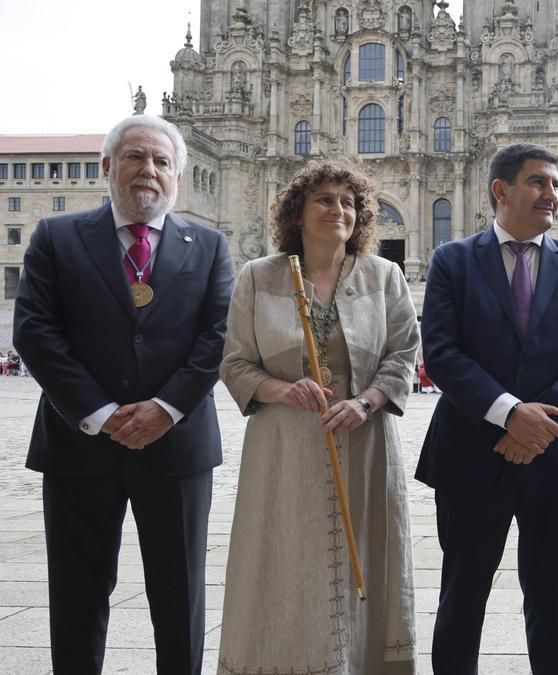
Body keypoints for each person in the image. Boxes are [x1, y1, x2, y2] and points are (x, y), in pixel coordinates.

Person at [12, 114, 233, 674]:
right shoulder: (57, 237)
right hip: (79, 445)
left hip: (177, 447)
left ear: (178, 175)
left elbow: (219, 336)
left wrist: (166, 408)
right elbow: (36, 331)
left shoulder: (208, 246)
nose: (149, 171)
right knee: (77, 594)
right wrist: (102, 414)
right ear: (109, 166)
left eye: (162, 161)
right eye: (136, 157)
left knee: (180, 597)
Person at [217, 160, 420, 674]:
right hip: (283, 449)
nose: (339, 210)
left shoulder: (385, 276)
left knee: (369, 562)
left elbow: (403, 355)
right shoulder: (259, 277)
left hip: (366, 444)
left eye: (349, 203)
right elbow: (235, 362)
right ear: (297, 212)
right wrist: (283, 388)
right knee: (287, 558)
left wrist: (365, 401)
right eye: (325, 200)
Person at [417, 143, 558, 673]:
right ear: (500, 190)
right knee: (463, 593)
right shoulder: (452, 261)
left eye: (553, 184)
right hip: (471, 454)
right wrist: (508, 413)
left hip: (553, 453)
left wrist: (538, 427)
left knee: (550, 598)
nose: (552, 193)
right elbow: (442, 353)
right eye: (539, 182)